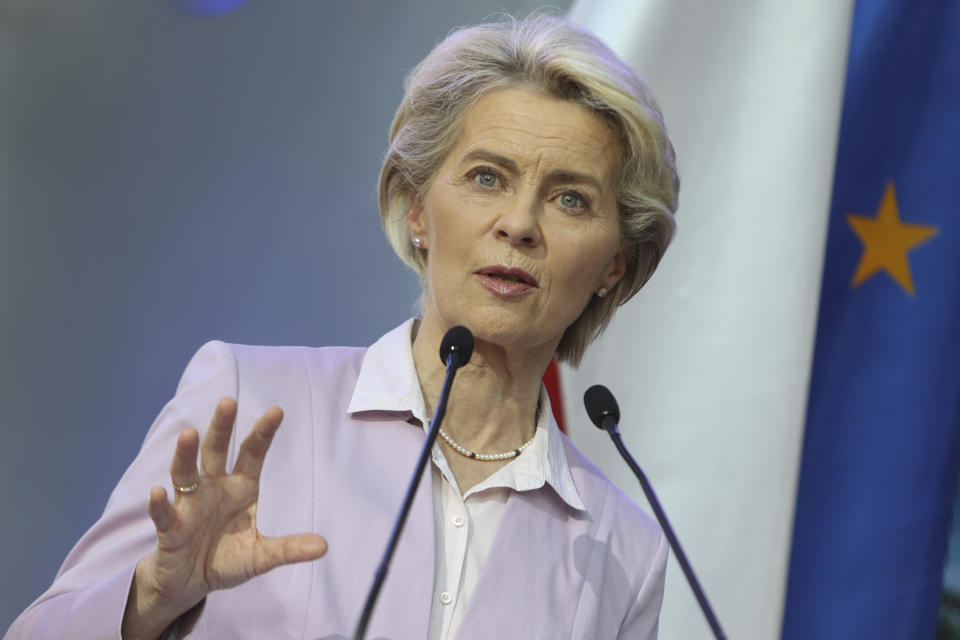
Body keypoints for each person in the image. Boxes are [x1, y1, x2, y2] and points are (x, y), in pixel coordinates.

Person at [6, 13, 679, 640]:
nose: (520, 224)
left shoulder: (625, 550)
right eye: (485, 177)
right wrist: (152, 596)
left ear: (614, 265)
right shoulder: (249, 405)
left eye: (570, 199)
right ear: (417, 209)